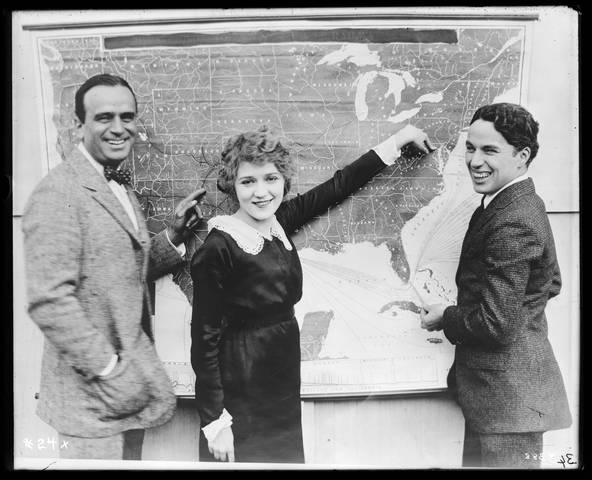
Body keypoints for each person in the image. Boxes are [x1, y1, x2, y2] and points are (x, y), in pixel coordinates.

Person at [190, 124, 434, 463]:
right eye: (248, 181)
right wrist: (215, 421)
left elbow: (339, 186)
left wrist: (398, 140)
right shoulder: (219, 246)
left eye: (270, 179)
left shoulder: (279, 222)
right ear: (232, 185)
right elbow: (204, 340)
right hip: (242, 386)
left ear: (284, 181)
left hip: (282, 377)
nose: (261, 192)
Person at [22, 73, 207, 460]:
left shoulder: (117, 187)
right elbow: (49, 302)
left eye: (127, 116)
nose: (119, 128)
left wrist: (172, 236)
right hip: (89, 404)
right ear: (78, 126)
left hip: (126, 399)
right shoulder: (59, 192)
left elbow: (120, 271)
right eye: (104, 117)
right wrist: (112, 371)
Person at [419, 103, 572, 468]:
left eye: (490, 150)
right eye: (470, 148)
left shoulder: (512, 219)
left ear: (522, 156)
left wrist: (446, 316)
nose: (474, 160)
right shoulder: (510, 203)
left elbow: (495, 324)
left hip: (508, 403)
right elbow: (550, 282)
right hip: (503, 400)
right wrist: (525, 309)